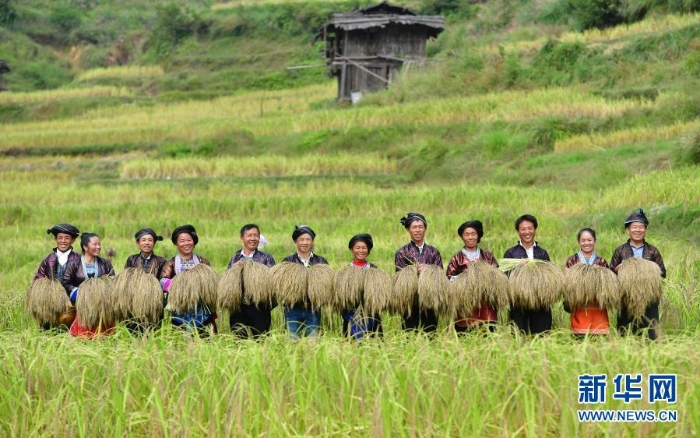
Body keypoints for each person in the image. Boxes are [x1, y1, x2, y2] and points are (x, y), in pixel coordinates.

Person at [609, 208, 666, 340]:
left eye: (641, 227)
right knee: (626, 332)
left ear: (645, 230)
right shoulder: (620, 251)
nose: (638, 230)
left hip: (650, 298)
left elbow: (662, 273)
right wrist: (618, 269)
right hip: (626, 297)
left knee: (651, 332)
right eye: (634, 227)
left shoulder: (653, 251)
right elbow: (611, 274)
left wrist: (647, 268)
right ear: (628, 230)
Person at [160, 225, 217, 335]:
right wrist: (180, 284)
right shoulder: (171, 263)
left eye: (189, 240)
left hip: (201, 310)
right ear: (176, 244)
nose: (186, 243)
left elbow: (211, 281)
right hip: (179, 310)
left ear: (194, 242)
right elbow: (162, 281)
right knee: (180, 342)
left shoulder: (202, 261)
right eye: (182, 241)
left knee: (205, 340)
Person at [446, 220, 499, 333]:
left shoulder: (487, 256)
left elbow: (497, 276)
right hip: (465, 308)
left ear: (478, 235)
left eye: (473, 234)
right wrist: (466, 279)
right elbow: (449, 279)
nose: (470, 237)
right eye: (467, 234)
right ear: (462, 237)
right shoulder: (457, 258)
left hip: (486, 307)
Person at [503, 214, 552, 334]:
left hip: (540, 301)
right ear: (518, 231)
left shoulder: (542, 253)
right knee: (519, 335)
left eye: (530, 228)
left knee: (541, 335)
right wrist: (518, 268)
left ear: (535, 230)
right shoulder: (511, 253)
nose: (527, 232)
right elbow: (504, 277)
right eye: (523, 229)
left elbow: (550, 277)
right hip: (518, 302)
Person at [394, 212, 443, 332]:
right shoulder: (402, 253)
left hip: (430, 299)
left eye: (421, 227)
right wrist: (413, 271)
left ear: (425, 229)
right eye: (414, 227)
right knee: (409, 333)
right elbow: (399, 278)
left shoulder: (434, 252)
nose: (418, 230)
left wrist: (428, 269)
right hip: (409, 300)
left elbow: (440, 275)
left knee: (430, 332)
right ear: (408, 230)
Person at [226, 224, 276, 338]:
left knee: (261, 339)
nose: (253, 238)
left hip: (259, 307)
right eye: (249, 235)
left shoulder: (266, 258)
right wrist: (234, 269)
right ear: (242, 238)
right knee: (238, 340)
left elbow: (273, 281)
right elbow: (227, 282)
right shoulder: (235, 258)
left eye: (256, 235)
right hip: (238, 307)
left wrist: (257, 272)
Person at [62, 232, 116, 337]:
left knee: (104, 335)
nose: (98, 247)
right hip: (82, 305)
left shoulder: (105, 263)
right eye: (95, 244)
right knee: (83, 334)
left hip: (102, 306)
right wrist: (79, 293)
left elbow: (112, 281)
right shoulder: (74, 264)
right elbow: (66, 282)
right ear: (85, 247)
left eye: (99, 244)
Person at [283, 225, 329, 339]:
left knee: (312, 343)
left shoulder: (321, 261)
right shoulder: (288, 261)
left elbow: (327, 285)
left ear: (312, 242)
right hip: (292, 309)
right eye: (301, 239)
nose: (305, 242)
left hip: (313, 309)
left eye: (308, 239)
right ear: (296, 241)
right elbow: (282, 286)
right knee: (292, 341)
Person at [33, 223, 82, 330]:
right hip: (51, 302)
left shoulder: (79, 259)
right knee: (48, 329)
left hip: (72, 303)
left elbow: (82, 279)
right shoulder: (48, 259)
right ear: (55, 239)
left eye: (67, 238)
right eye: (60, 238)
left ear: (73, 240)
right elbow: (39, 277)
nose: (63, 241)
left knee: (71, 329)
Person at [563, 228, 610, 336]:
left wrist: (600, 272)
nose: (586, 243)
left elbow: (609, 285)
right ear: (579, 242)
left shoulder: (601, 261)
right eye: (583, 240)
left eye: (589, 240)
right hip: (579, 307)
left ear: (594, 241)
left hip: (598, 308)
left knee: (599, 340)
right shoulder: (572, 260)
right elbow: (565, 282)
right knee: (579, 339)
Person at [341, 233, 383, 339]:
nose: (361, 251)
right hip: (350, 316)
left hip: (372, 315)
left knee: (374, 347)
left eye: (364, 248)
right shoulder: (345, 272)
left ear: (368, 250)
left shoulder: (375, 270)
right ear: (351, 249)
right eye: (357, 248)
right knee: (351, 347)